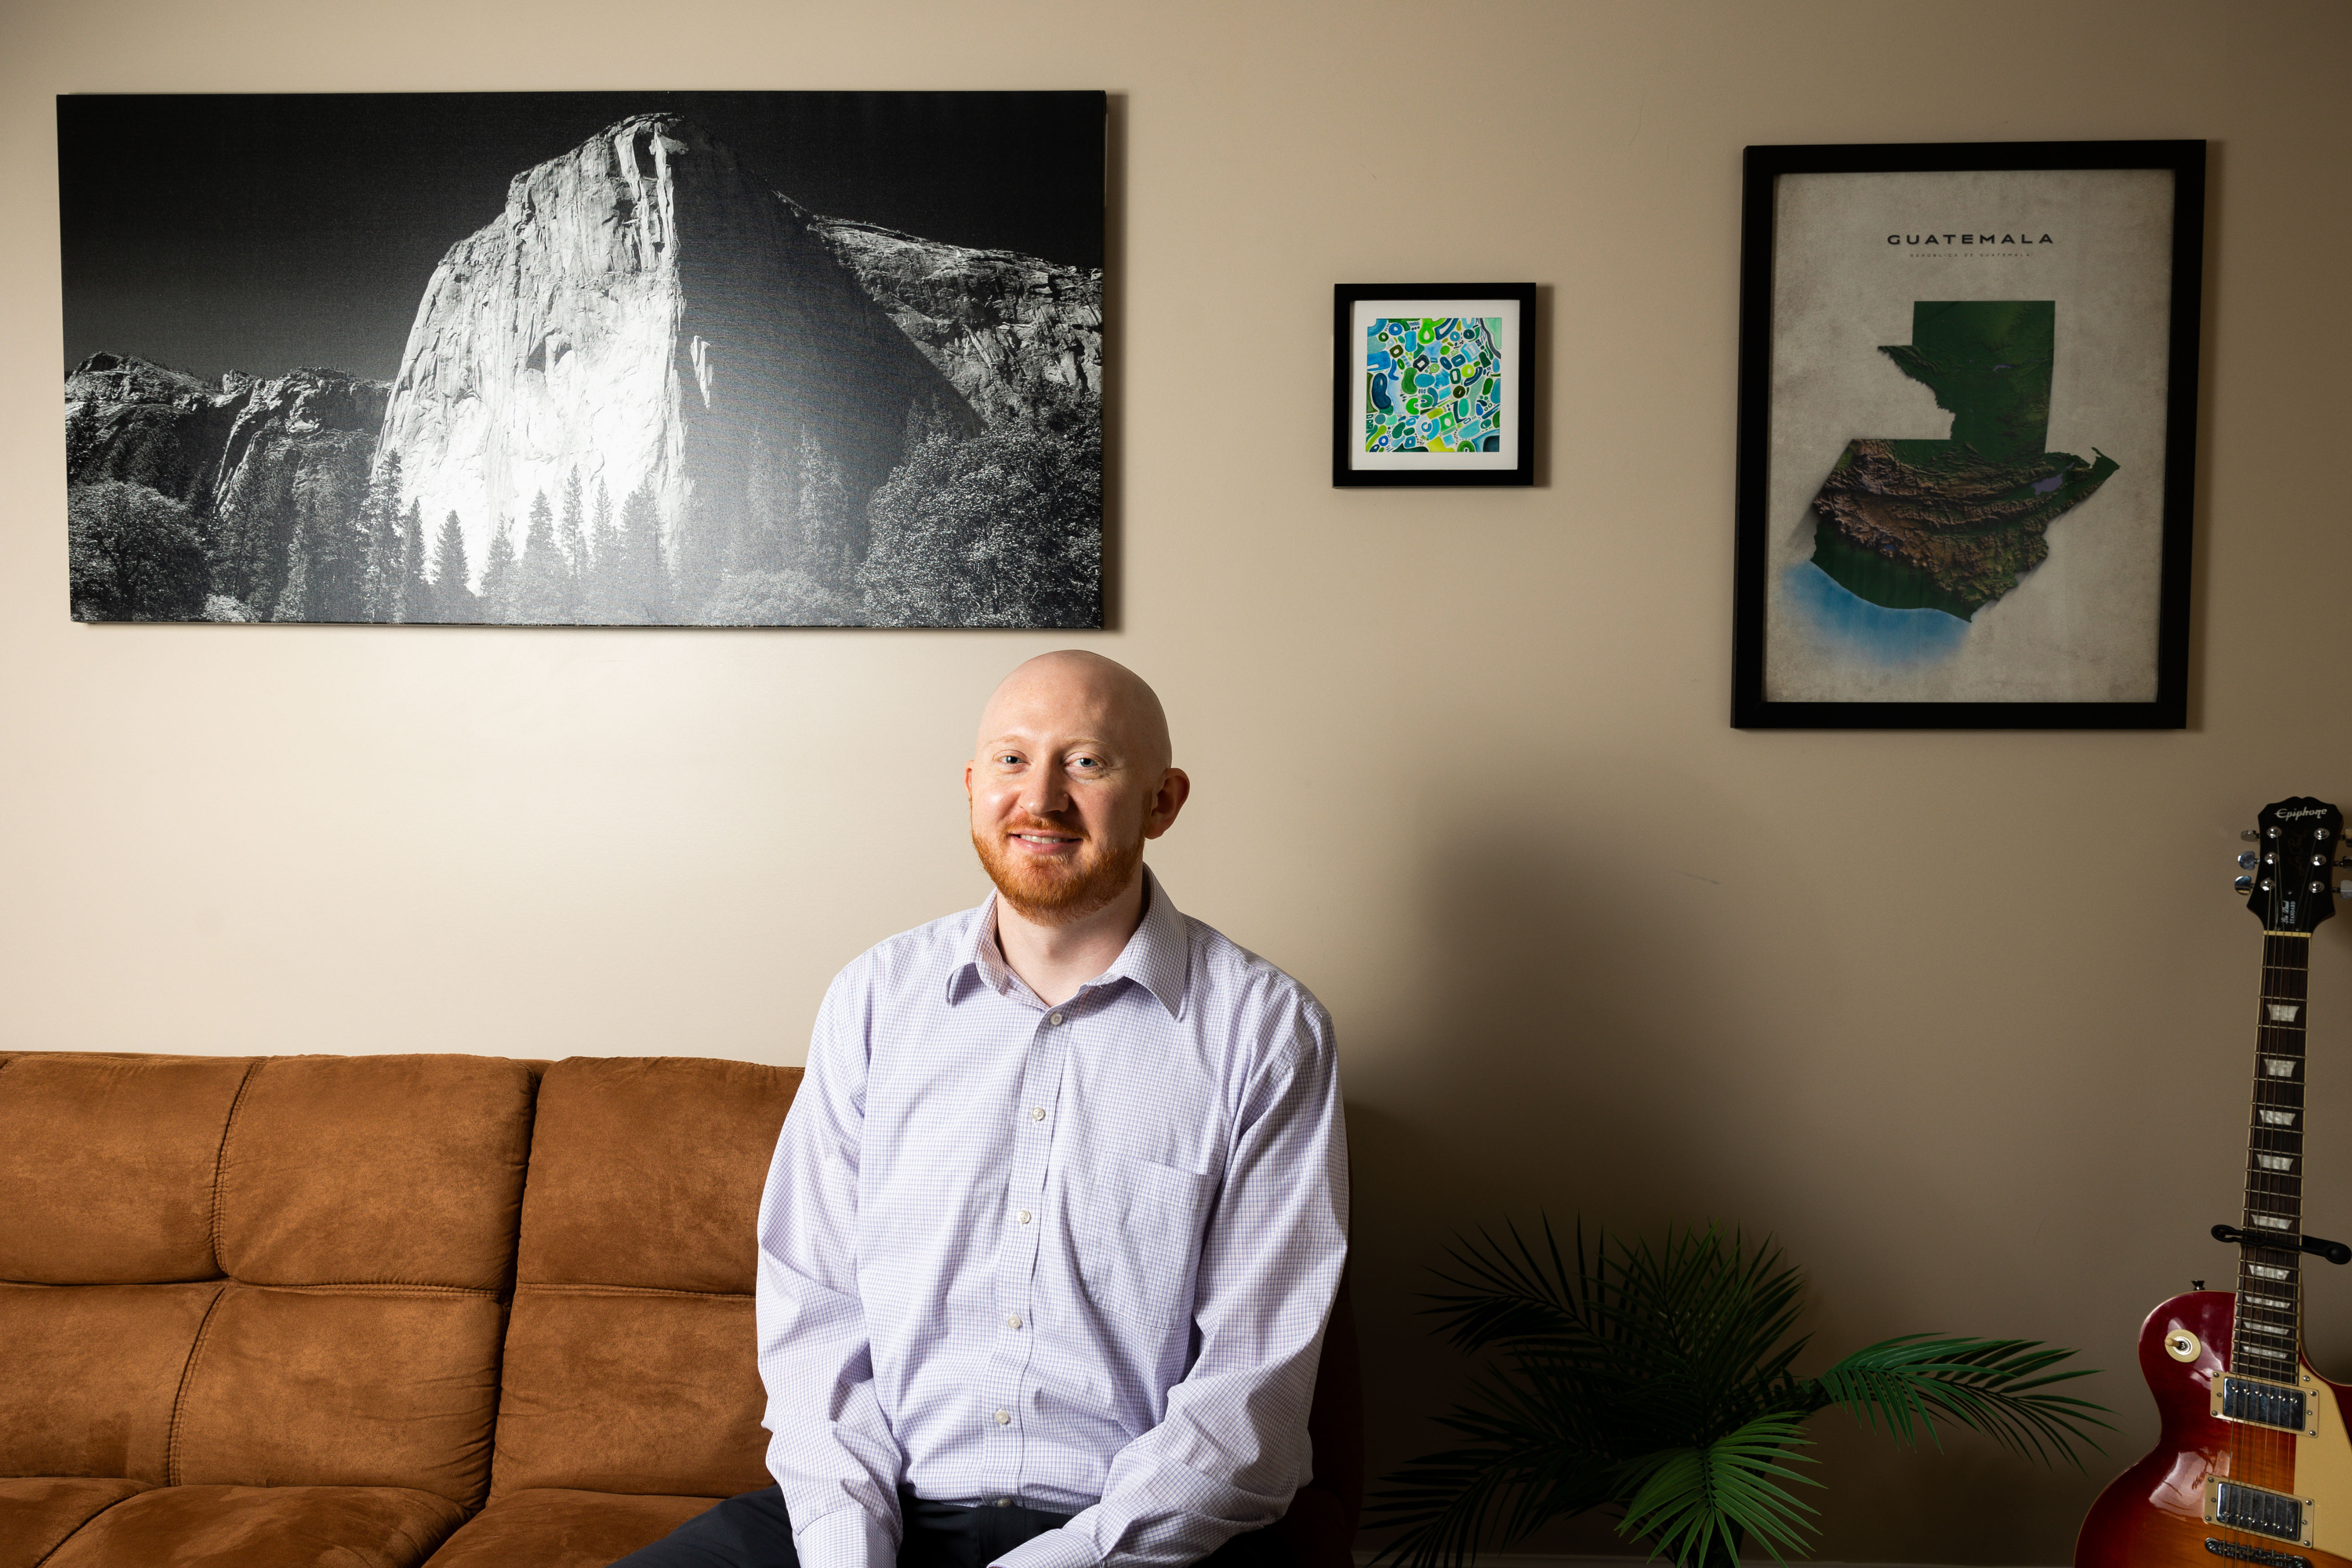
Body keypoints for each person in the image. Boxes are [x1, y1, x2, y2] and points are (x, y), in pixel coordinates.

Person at [615, 650, 1349, 1568]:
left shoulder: (1267, 1032)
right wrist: (850, 1551)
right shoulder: (874, 999)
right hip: (883, 1510)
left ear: (1163, 800)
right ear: (971, 786)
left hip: (1139, 1535)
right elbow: (816, 1316)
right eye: (1011, 759)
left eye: (1087, 762)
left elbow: (1252, 1398)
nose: (1039, 798)